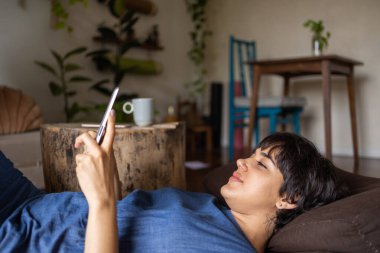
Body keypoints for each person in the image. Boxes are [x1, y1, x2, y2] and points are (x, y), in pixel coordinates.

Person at [0, 111, 347, 253]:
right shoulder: (211, 206)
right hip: (31, 204)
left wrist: (102, 199)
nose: (241, 160)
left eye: (261, 162)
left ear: (289, 198)